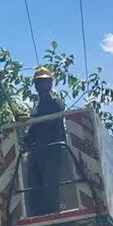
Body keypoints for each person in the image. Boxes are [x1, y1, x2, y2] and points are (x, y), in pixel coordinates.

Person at [22, 66, 67, 216]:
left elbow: (50, 119)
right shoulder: (37, 105)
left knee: (50, 182)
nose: (41, 85)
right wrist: (27, 139)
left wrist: (32, 120)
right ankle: (37, 213)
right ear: (35, 85)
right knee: (35, 183)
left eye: (45, 82)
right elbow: (35, 128)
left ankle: (51, 211)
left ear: (50, 84)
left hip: (51, 148)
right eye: (39, 82)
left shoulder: (55, 102)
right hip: (37, 150)